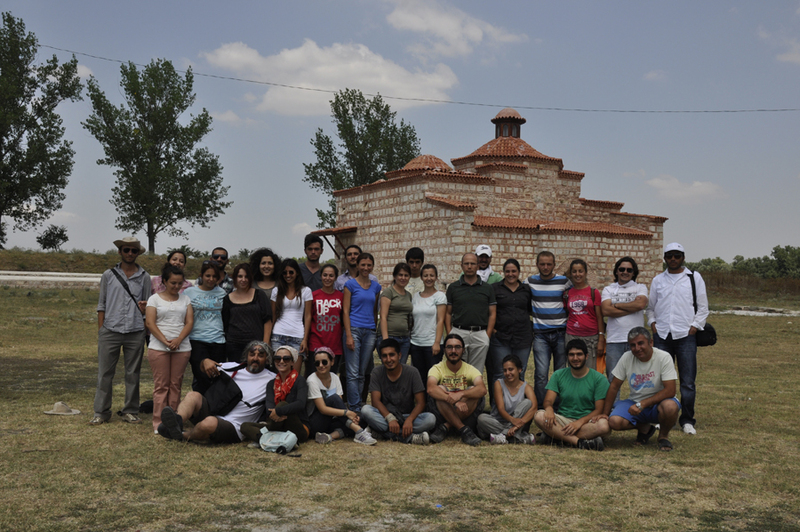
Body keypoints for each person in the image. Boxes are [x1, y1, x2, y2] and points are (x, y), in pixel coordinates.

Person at [158, 341, 276, 443]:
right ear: (246, 356)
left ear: (267, 359)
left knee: (208, 423)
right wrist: (205, 361)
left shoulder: (272, 379)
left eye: (261, 355)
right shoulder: (234, 367)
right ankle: (177, 421)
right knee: (193, 395)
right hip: (214, 411)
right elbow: (205, 367)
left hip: (234, 426)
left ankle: (183, 435)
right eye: (252, 354)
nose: (255, 358)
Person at [646, 242, 708, 436]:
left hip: (685, 336)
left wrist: (694, 327)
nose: (673, 259)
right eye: (669, 256)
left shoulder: (694, 278)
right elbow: (651, 307)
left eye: (677, 255)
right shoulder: (658, 280)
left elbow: (703, 307)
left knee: (687, 381)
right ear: (664, 258)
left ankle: (687, 420)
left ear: (683, 257)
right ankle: (662, 417)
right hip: (662, 335)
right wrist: (653, 323)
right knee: (660, 380)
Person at [90, 237, 152, 426]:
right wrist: (101, 329)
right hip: (111, 329)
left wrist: (144, 325)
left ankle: (130, 410)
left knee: (133, 374)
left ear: (138, 253)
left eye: (134, 250)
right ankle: (101, 412)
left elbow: (148, 305)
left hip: (135, 329)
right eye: (126, 250)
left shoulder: (144, 276)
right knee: (105, 373)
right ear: (120, 251)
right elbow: (102, 304)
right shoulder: (108, 275)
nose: (130, 253)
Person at [600, 327, 681, 452]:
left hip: (658, 404)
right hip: (634, 401)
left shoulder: (663, 357)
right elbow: (614, 386)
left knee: (670, 407)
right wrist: (605, 414)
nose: (637, 348)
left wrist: (642, 404)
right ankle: (644, 427)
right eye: (632, 345)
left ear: (651, 342)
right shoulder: (626, 357)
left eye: (640, 343)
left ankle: (663, 436)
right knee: (614, 421)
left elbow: (670, 390)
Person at [533, 339, 610, 450]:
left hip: (586, 421)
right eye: (571, 355)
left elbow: (598, 410)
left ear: (586, 356)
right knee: (539, 416)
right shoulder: (558, 375)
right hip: (563, 420)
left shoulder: (599, 379)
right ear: (567, 357)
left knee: (604, 425)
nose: (575, 358)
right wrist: (549, 409)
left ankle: (557, 437)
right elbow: (548, 401)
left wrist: (579, 422)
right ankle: (579, 442)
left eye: (579, 354)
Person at [145, 264, 194, 433]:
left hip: (182, 348)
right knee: (161, 386)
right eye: (173, 283)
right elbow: (150, 322)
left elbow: (189, 322)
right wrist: (165, 341)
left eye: (180, 283)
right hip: (158, 347)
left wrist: (179, 339)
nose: (176, 286)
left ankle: (173, 421)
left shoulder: (185, 299)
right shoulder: (154, 299)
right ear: (164, 281)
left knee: (175, 385)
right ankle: (158, 422)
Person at [361, 339, 436, 444]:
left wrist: (410, 420)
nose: (388, 359)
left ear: (399, 355)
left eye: (392, 355)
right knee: (366, 410)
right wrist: (390, 418)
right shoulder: (377, 372)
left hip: (406, 417)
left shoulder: (412, 372)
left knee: (430, 419)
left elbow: (421, 402)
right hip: (385, 417)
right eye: (384, 356)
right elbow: (375, 401)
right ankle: (409, 438)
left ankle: (381, 433)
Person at [306, 347, 377, 445]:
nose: (321, 365)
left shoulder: (335, 377)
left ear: (332, 362)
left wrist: (351, 416)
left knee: (361, 419)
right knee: (334, 399)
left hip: (331, 420)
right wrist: (347, 413)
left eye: (324, 362)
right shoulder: (312, 380)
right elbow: (322, 409)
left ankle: (329, 437)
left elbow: (339, 405)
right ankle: (359, 431)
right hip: (316, 422)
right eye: (317, 363)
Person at [426, 333, 487, 446]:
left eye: (457, 347)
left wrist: (461, 394)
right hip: (442, 413)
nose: (453, 351)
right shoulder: (437, 368)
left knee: (473, 390)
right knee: (439, 389)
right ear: (444, 350)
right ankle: (463, 429)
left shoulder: (470, 369)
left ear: (463, 350)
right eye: (449, 347)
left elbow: (482, 390)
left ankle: (447, 426)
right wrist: (454, 401)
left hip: (465, 412)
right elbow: (430, 389)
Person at [241, 346, 310, 444]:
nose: (281, 361)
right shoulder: (271, 383)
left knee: (282, 404)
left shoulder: (300, 380)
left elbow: (300, 404)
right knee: (245, 426)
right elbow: (269, 408)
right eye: (277, 358)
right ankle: (276, 440)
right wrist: (277, 413)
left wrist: (279, 411)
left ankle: (266, 439)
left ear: (292, 362)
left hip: (298, 426)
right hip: (276, 425)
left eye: (286, 358)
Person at [528, 250, 571, 407]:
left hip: (561, 334)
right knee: (541, 374)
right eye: (542, 264)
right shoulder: (530, 281)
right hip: (540, 335)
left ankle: (559, 407)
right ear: (537, 264)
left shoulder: (564, 282)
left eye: (549, 264)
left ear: (554, 264)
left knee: (561, 373)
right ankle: (541, 407)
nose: (545, 267)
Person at [488, 258, 533, 402]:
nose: (510, 274)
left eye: (514, 271)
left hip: (522, 338)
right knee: (500, 373)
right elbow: (489, 310)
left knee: (520, 372)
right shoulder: (495, 288)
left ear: (519, 272)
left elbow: (530, 310)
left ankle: (518, 407)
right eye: (507, 271)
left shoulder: (526, 290)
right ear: (503, 272)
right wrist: (494, 331)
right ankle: (497, 407)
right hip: (501, 338)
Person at [445, 252, 496, 375]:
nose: (469, 266)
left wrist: (487, 336)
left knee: (476, 372)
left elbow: (492, 314)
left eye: (472, 264)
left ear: (477, 266)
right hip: (458, 331)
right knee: (457, 370)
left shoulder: (487, 288)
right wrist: (450, 334)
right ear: (461, 265)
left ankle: (474, 389)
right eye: (466, 263)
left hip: (480, 334)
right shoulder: (453, 287)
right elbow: (448, 313)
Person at [342, 253, 382, 412]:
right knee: (352, 373)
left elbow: (375, 310)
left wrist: (374, 329)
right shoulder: (350, 285)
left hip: (369, 331)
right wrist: (348, 335)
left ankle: (358, 405)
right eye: (363, 265)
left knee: (362, 372)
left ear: (372, 266)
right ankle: (354, 408)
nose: (366, 268)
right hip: (354, 329)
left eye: (369, 265)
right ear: (358, 266)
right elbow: (345, 311)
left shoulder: (376, 287)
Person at [601, 257, 648, 385]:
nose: (625, 272)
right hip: (614, 340)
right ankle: (614, 400)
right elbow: (605, 310)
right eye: (622, 269)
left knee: (640, 379)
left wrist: (616, 305)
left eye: (629, 270)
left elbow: (640, 304)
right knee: (613, 380)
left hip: (637, 340)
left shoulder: (640, 287)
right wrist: (632, 307)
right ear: (616, 271)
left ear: (634, 272)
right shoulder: (608, 289)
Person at [184, 261, 227, 394]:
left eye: (214, 276)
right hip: (196, 339)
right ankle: (198, 403)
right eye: (208, 276)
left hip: (218, 340)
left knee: (216, 377)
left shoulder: (222, 293)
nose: (211, 279)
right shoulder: (189, 292)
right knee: (201, 377)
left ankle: (213, 405)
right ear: (201, 275)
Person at [477, 354, 537, 445]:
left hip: (517, 424)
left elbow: (534, 407)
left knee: (528, 402)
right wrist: (512, 420)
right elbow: (500, 409)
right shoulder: (498, 384)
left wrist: (519, 424)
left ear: (519, 370)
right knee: (481, 418)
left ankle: (503, 436)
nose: (508, 373)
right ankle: (517, 437)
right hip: (498, 422)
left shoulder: (526, 387)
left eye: (511, 369)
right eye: (505, 370)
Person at [222, 263, 272, 362]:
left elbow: (267, 321)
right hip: (234, 345)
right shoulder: (227, 299)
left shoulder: (259, 295)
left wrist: (265, 344)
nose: (243, 280)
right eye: (240, 276)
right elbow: (225, 323)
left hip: (256, 344)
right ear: (235, 278)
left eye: (246, 277)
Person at [270, 258, 313, 373]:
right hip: (278, 335)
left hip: (297, 336)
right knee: (278, 375)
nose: (288, 275)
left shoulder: (306, 291)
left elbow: (307, 316)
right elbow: (273, 315)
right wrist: (268, 337)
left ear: (297, 273)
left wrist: (305, 339)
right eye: (285, 272)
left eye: (291, 272)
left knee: (294, 375)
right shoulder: (276, 291)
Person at [564, 259, 606, 371]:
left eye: (580, 271)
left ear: (586, 273)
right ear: (571, 274)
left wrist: (601, 339)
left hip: (591, 338)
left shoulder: (593, 292)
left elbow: (599, 317)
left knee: (590, 371)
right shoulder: (567, 293)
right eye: (574, 271)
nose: (577, 274)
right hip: (572, 336)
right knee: (574, 370)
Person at [409, 264, 447, 381]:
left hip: (431, 344)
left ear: (436, 277)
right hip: (416, 343)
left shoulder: (440, 296)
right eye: (425, 276)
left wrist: (437, 343)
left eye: (431, 275)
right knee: (419, 379)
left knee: (433, 378)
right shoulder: (416, 296)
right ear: (421, 277)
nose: (428, 278)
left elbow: (440, 320)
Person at [306, 264, 344, 375]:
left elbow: (344, 319)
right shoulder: (313, 295)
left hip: (335, 344)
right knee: (313, 377)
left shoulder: (341, 296)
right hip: (315, 343)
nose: (328, 278)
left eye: (331, 276)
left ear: (336, 278)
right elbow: (308, 318)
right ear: (321, 276)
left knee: (331, 377)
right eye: (325, 275)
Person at [379, 262, 413, 364]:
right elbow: (383, 317)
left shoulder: (408, 295)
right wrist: (386, 340)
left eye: (406, 275)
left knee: (401, 369)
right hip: (390, 336)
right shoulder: (388, 292)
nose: (403, 278)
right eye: (400, 275)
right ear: (394, 276)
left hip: (404, 338)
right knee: (389, 367)